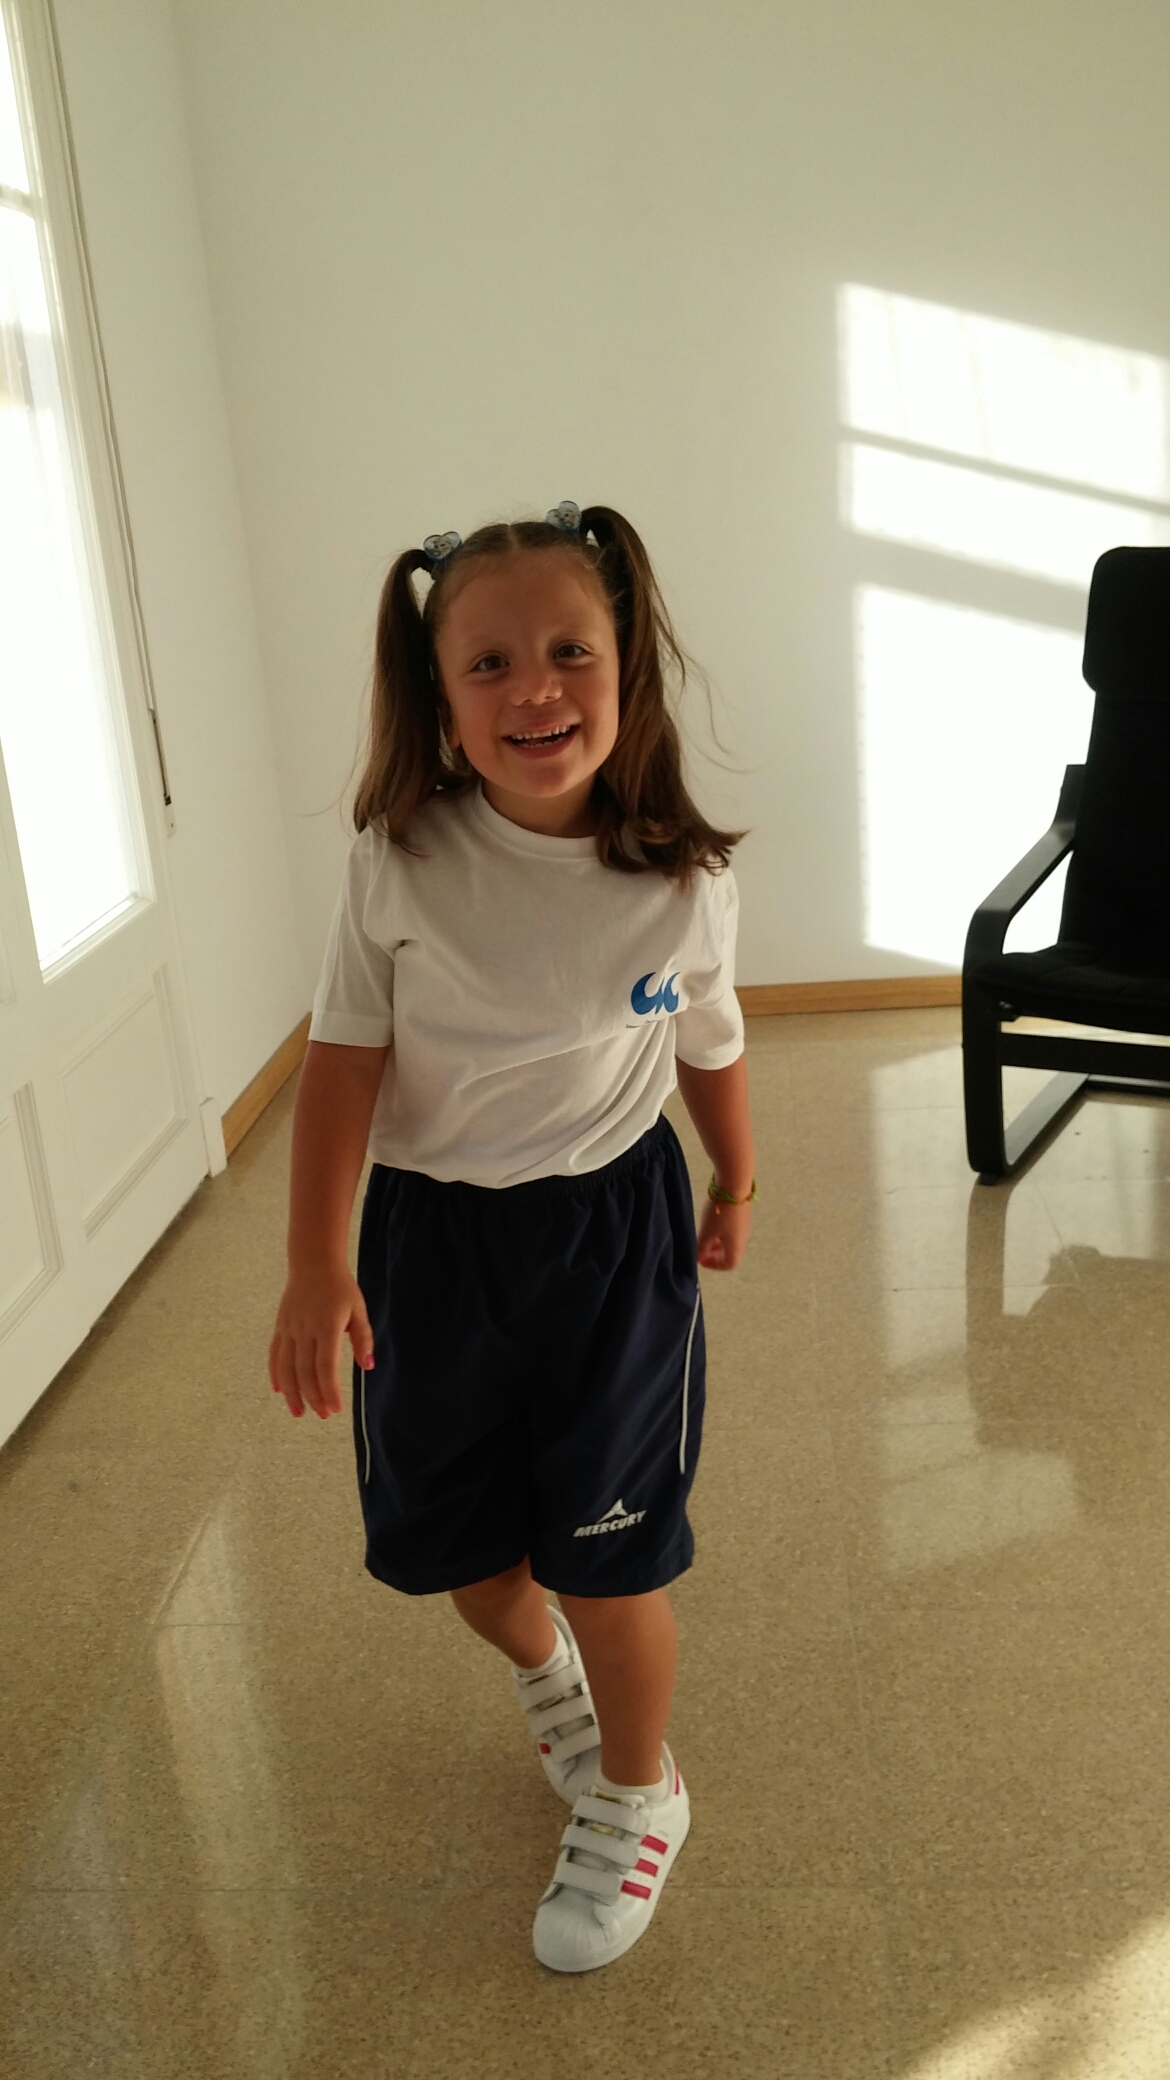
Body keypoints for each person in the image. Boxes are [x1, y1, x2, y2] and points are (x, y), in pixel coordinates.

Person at [268, 500, 756, 1974]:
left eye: (568, 652)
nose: (534, 689)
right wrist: (315, 1261)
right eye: (487, 663)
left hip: (610, 1238)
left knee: (609, 1557)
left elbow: (710, 1040)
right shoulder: (400, 861)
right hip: (432, 1243)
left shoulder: (683, 878)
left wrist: (736, 1179)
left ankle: (637, 1789)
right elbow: (342, 1059)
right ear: (437, 695)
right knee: (475, 1563)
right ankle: (547, 1677)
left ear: (627, 666)